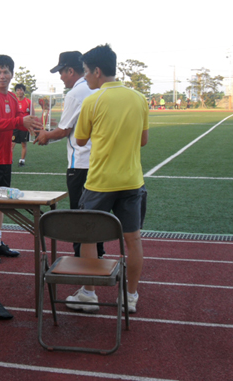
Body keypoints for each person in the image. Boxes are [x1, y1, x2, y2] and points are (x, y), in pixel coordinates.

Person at [65, 44, 149, 315]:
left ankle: (89, 293)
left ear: (97, 71)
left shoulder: (92, 100)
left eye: (86, 72)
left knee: (89, 238)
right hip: (132, 181)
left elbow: (80, 140)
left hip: (100, 182)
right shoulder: (139, 98)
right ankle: (130, 297)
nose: (85, 77)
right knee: (133, 239)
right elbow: (143, 140)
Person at [36, 50, 104, 259]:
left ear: (71, 71)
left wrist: (45, 135)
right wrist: (52, 130)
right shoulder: (97, 88)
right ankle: (98, 255)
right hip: (100, 162)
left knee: (79, 216)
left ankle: (82, 260)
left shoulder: (76, 93)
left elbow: (64, 131)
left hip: (80, 164)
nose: (61, 77)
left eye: (61, 72)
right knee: (96, 214)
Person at [0, 55, 42, 263]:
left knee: (1, 202)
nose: (2, 76)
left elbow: (19, 121)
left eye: (6, 72)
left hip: (5, 158)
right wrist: (20, 121)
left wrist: (37, 125)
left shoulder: (13, 98)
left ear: (12, 74)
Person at [11, 83, 32, 166]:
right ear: (16, 91)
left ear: (24, 91)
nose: (19, 92)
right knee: (12, 144)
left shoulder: (28, 102)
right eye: (18, 90)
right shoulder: (13, 101)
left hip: (24, 127)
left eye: (21, 90)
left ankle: (22, 160)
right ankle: (10, 160)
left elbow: (32, 114)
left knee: (24, 144)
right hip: (15, 126)